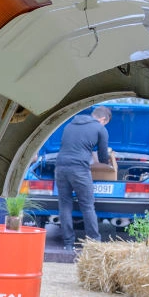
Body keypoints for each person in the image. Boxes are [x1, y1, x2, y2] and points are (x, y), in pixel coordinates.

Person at [55, 105, 113, 248]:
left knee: (65, 205)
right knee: (87, 206)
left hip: (60, 166)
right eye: (105, 123)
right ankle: (94, 243)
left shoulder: (70, 125)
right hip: (79, 169)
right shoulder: (100, 129)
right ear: (103, 119)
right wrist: (110, 162)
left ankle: (68, 244)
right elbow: (103, 157)